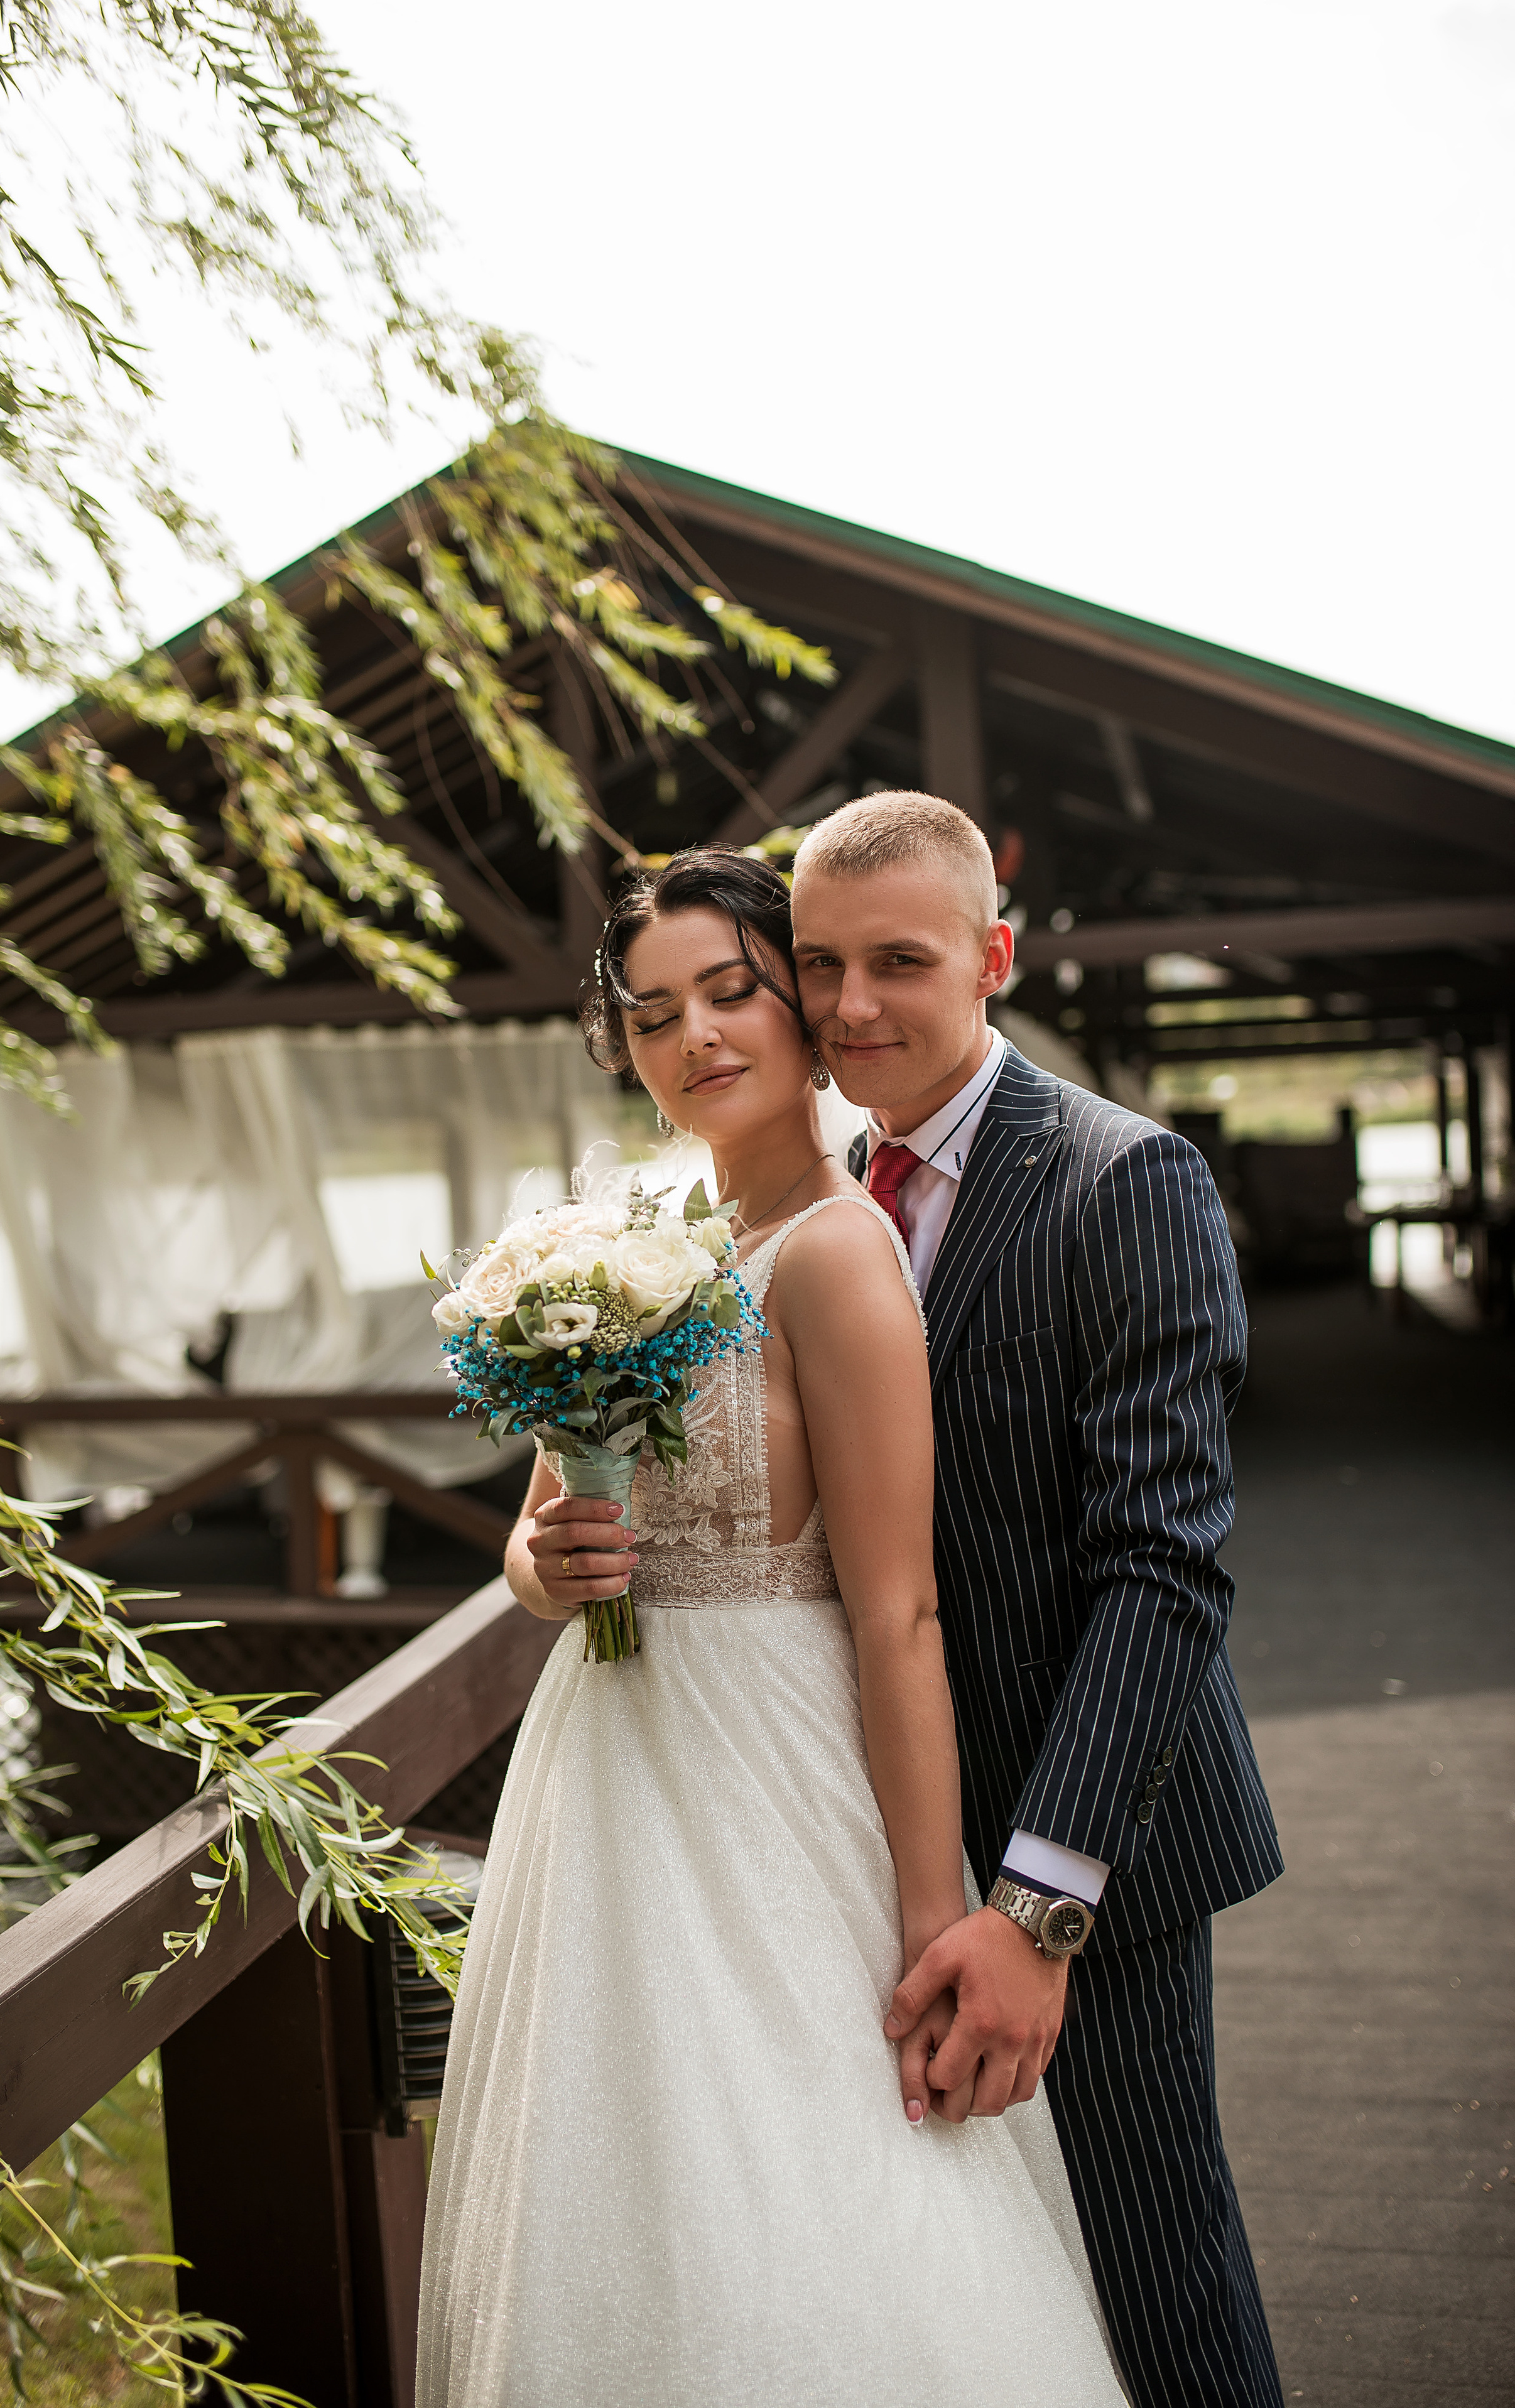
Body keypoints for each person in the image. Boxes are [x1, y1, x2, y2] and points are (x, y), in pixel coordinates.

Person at [415, 847, 1127, 2407]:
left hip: (775, 1771)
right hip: (608, 1781)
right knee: (620, 2160)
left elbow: (898, 1614)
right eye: (654, 1012)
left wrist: (935, 1911)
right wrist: (556, 1563)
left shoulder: (835, 1252)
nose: (696, 1039)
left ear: (799, 1003)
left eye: (732, 992)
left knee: (812, 2151)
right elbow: (533, 1548)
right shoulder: (635, 1250)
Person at [788, 792, 1285, 2408]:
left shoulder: (1119, 1181)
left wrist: (1036, 1909)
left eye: (898, 962)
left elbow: (1161, 1573)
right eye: (816, 965)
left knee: (1150, 2269)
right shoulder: (800, 1201)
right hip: (855, 1848)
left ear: (993, 956)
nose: (849, 1007)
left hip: (1091, 1855)